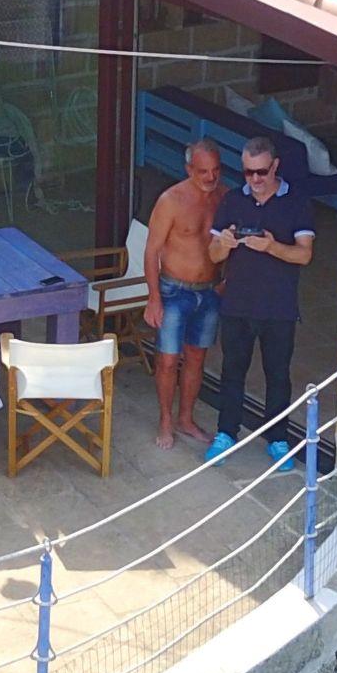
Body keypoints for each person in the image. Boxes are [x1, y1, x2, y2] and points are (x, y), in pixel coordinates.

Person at [206, 135, 314, 470]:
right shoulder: (232, 200)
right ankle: (226, 433)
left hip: (278, 308)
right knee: (232, 372)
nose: (254, 179)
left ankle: (278, 439)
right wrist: (224, 244)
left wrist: (271, 247)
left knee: (278, 376)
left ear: (275, 166)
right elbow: (213, 255)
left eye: (261, 172)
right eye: (248, 172)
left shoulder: (296, 202)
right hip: (237, 304)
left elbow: (304, 255)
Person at [141, 140, 225, 449]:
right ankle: (165, 419)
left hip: (210, 290)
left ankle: (186, 418)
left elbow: (233, 241)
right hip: (174, 290)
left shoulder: (224, 197)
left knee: (196, 358)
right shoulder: (171, 200)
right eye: (203, 171)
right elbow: (151, 251)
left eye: (215, 170)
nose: (210, 177)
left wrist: (226, 280)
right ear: (189, 169)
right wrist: (154, 298)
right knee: (167, 360)